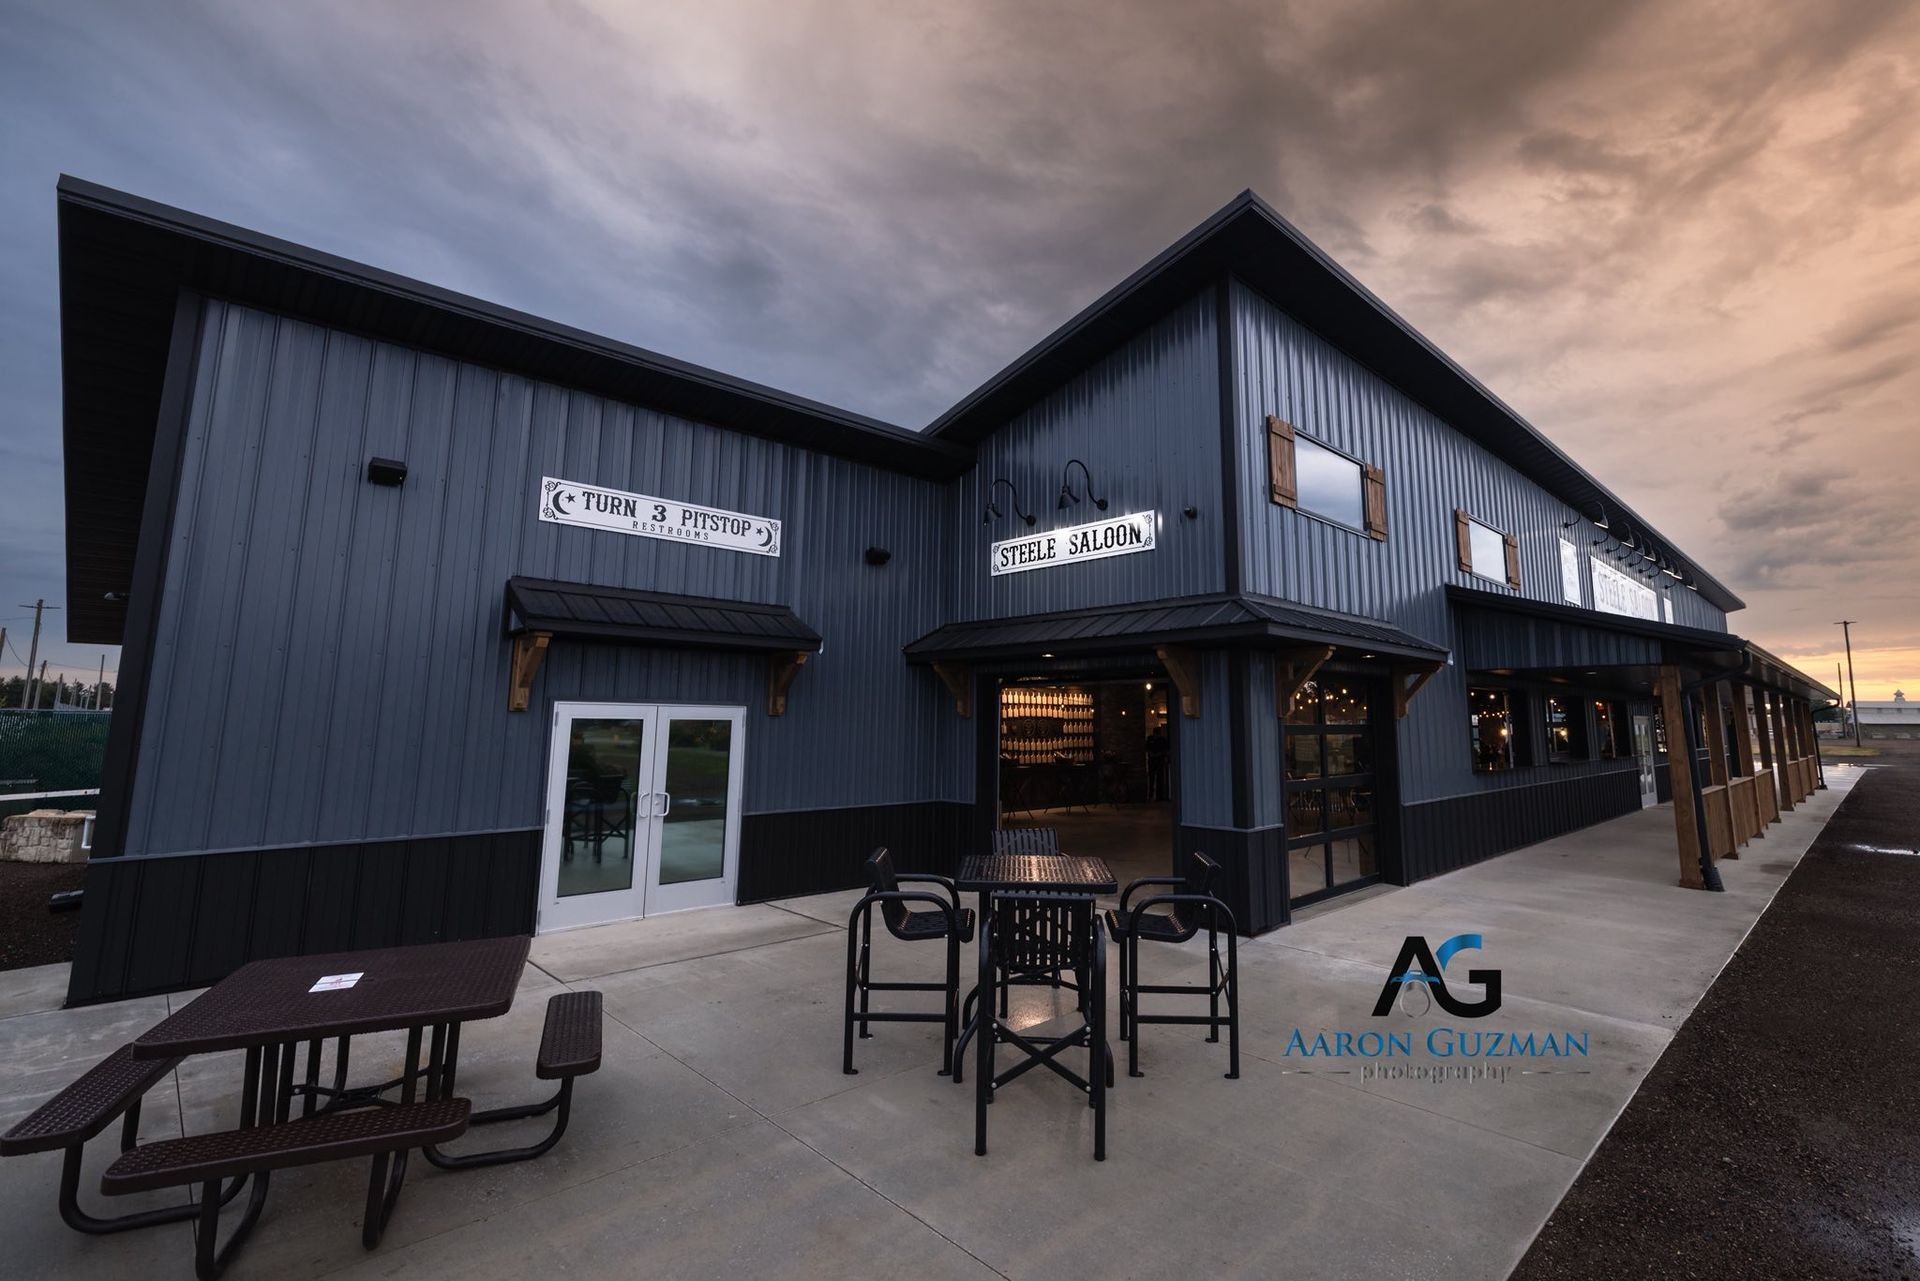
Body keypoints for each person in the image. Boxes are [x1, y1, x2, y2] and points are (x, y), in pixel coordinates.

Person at [1145, 725, 1169, 802]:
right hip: (1152, 761)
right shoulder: (1150, 739)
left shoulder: (1162, 740)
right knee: (1151, 778)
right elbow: (1147, 748)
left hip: (1159, 761)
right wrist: (1151, 753)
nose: (1156, 736)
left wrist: (1159, 754)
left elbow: (1165, 749)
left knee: (1160, 779)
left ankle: (1159, 797)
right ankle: (1150, 795)